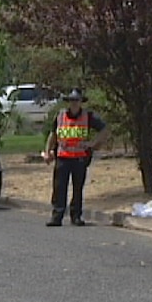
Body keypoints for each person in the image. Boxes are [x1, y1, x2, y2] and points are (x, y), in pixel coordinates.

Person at [42, 88, 110, 227]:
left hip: (80, 158)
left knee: (78, 188)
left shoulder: (88, 116)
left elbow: (104, 129)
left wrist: (94, 144)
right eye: (72, 100)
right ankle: (57, 216)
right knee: (59, 187)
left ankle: (76, 216)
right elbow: (53, 135)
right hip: (62, 157)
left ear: (81, 102)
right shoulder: (60, 116)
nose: (74, 103)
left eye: (77, 100)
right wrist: (48, 151)